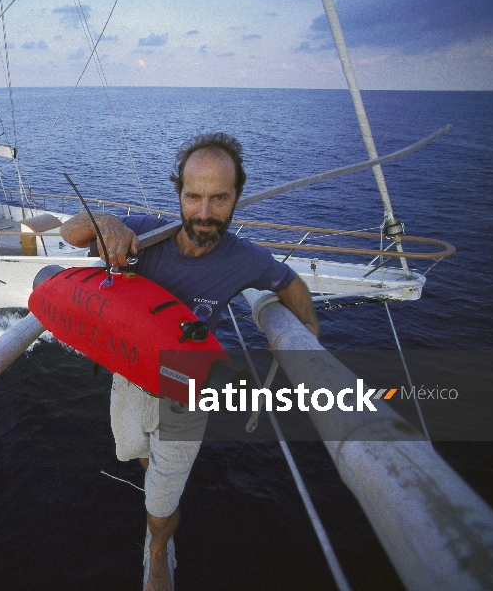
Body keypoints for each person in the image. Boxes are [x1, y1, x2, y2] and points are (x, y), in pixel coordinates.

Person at [59, 132, 319, 591]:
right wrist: (106, 222)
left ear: (237, 195)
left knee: (160, 505)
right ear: (178, 192)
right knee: (135, 453)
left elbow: (291, 285)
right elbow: (70, 232)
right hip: (129, 379)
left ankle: (158, 547)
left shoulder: (246, 259)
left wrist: (306, 342)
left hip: (185, 393)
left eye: (219, 198)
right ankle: (154, 482)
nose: (203, 213)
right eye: (193, 196)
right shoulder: (145, 234)